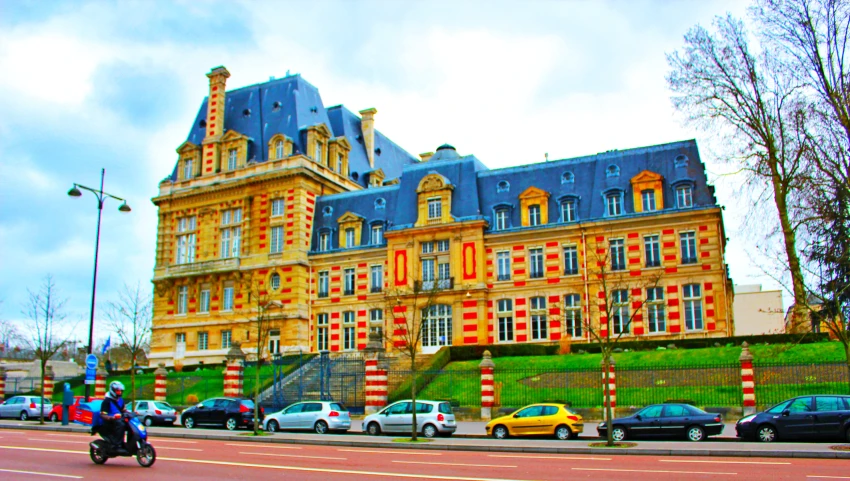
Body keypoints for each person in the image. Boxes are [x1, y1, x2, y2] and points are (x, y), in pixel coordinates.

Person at [99, 381, 128, 453]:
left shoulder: (121, 400)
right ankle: (117, 445)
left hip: (119, 419)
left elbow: (123, 410)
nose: (120, 392)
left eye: (121, 391)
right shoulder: (107, 401)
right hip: (109, 422)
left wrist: (133, 413)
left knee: (129, 423)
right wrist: (112, 417)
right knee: (121, 424)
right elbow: (103, 414)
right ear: (113, 391)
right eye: (118, 391)